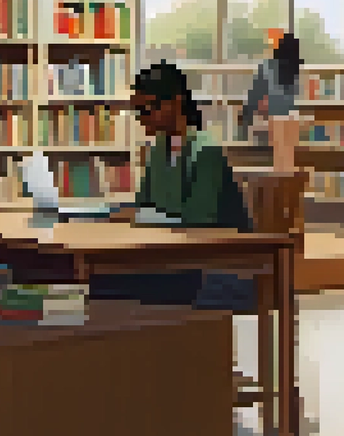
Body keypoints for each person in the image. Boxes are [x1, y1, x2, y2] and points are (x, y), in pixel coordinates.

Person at [96, 61, 254, 308]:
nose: (141, 118)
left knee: (108, 285)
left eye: (147, 109)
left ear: (175, 103)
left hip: (213, 268)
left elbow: (199, 221)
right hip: (173, 259)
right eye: (137, 111)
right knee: (98, 279)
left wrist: (143, 216)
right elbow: (143, 205)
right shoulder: (157, 150)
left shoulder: (205, 151)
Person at [243, 31, 303, 170]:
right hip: (291, 131)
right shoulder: (296, 72)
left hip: (268, 132)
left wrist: (246, 120)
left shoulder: (267, 68)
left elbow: (253, 100)